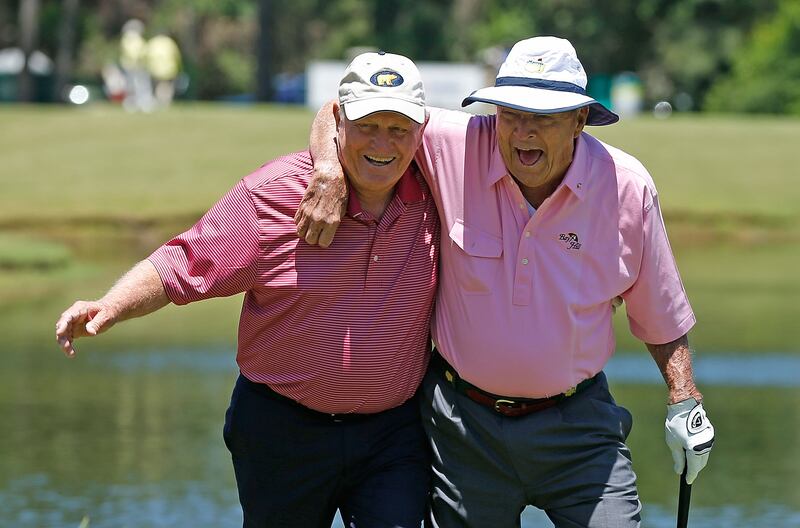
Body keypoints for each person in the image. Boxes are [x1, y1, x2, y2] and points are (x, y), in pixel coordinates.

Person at [296, 36, 715, 528]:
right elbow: (340, 110)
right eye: (512, 114)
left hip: (577, 427)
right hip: (463, 430)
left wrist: (683, 400)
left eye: (543, 118)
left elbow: (659, 312)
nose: (523, 133)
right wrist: (328, 171)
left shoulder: (626, 187)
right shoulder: (456, 143)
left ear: (580, 120)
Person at [56, 51, 439, 528]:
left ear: (422, 129)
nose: (383, 143)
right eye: (368, 125)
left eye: (398, 129)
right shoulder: (272, 197)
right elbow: (185, 262)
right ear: (340, 121)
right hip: (283, 430)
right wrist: (111, 304)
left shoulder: (437, 189)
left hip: (392, 433)